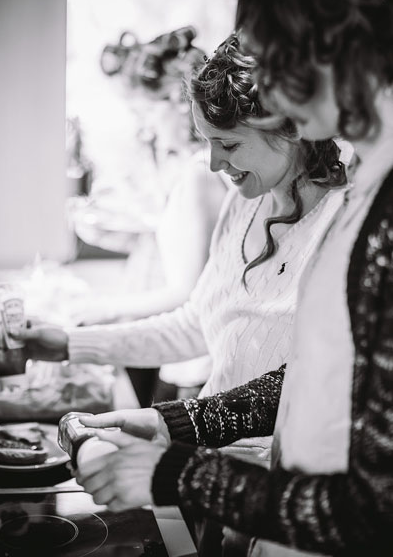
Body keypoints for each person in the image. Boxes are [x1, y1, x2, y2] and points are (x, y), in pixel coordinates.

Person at [72, 0, 393, 557]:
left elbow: (374, 508)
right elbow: (311, 380)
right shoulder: (370, 183)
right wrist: (171, 425)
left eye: (273, 57)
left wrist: (172, 474)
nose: (265, 88)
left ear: (328, 41)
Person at [24, 32, 348, 465]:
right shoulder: (242, 204)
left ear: (289, 130)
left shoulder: (343, 227)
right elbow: (196, 324)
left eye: (229, 144)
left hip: (276, 483)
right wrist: (70, 344)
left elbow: (318, 385)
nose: (214, 164)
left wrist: (170, 426)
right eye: (207, 142)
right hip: (212, 463)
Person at [75, 27, 229, 404]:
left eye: (145, 111)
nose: (143, 127)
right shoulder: (193, 170)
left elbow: (186, 292)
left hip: (197, 364)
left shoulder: (198, 175)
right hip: (187, 359)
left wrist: (100, 311)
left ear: (178, 102)